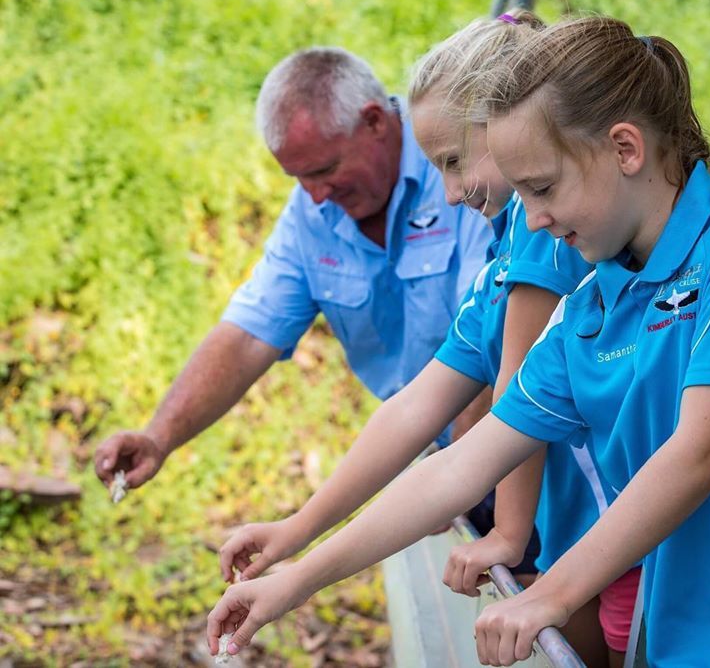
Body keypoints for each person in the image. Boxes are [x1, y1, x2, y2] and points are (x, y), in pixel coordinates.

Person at [206, 16, 710, 667]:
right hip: (665, 642)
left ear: (626, 149)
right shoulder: (587, 308)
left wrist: (549, 592)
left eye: (543, 189)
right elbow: (458, 467)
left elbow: (699, 452)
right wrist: (295, 580)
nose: (536, 220)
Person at [215, 13, 623, 667]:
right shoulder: (508, 251)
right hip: (580, 540)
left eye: (455, 162)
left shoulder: (543, 237)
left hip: (609, 545)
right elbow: (415, 409)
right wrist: (297, 537)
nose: (451, 192)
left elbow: (515, 401)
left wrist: (510, 531)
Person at [93, 47, 491, 492]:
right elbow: (247, 336)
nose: (316, 195)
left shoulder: (460, 164)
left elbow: (493, 335)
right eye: (299, 178)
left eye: (324, 169)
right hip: (431, 458)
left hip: (516, 448)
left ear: (375, 121)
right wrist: (158, 437)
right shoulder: (311, 214)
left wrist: (456, 470)